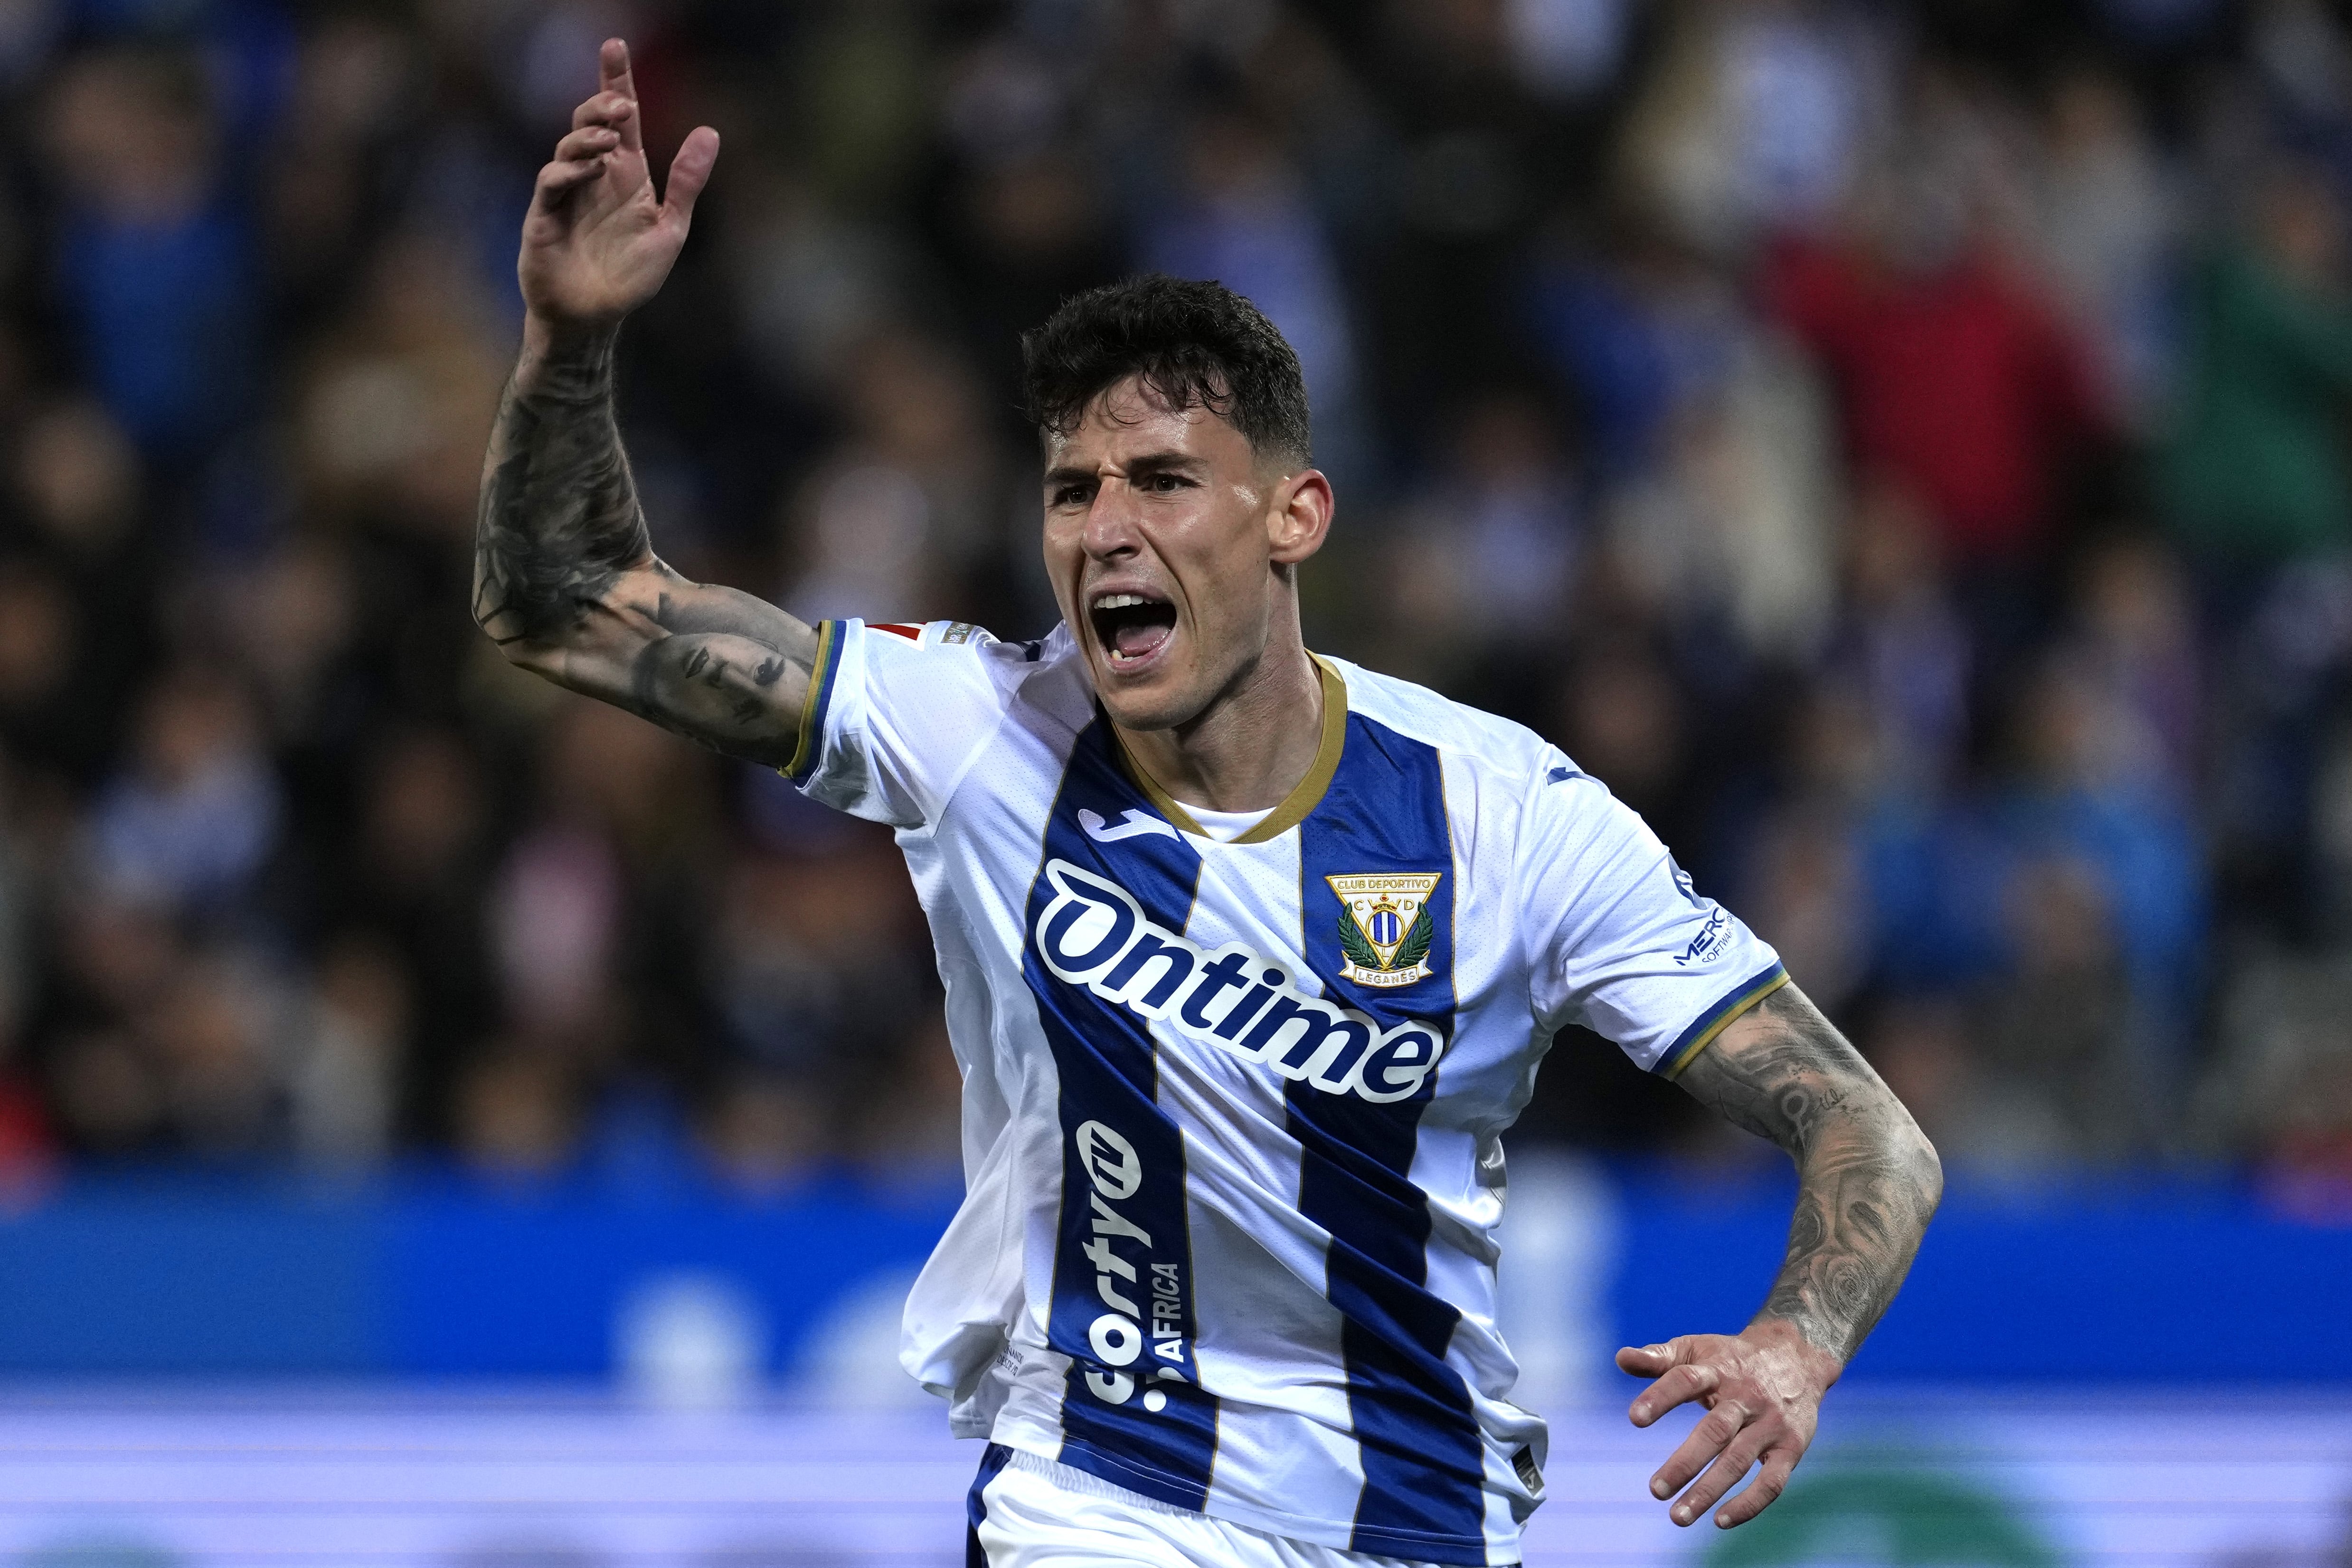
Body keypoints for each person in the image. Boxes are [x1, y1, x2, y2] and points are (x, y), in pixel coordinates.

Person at [474, 42, 1943, 1568]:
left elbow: (1864, 1125)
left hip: (1419, 1516)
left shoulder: (1507, 818)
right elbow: (563, 605)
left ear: (1293, 515)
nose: (1106, 530)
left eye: (1163, 480)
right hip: (1096, 1494)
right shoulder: (978, 725)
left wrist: (1795, 1340)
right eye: (1070, 491)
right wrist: (571, 341)